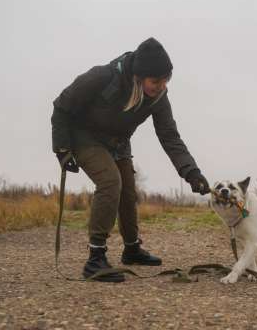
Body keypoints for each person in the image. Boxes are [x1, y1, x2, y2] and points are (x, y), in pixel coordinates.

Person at [51, 37, 210, 282]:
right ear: (139, 76)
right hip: (83, 137)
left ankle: (132, 248)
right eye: (155, 81)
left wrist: (192, 173)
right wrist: (62, 148)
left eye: (166, 80)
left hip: (118, 142)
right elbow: (62, 106)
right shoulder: (102, 77)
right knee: (110, 182)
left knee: (127, 189)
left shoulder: (158, 98)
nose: (161, 86)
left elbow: (170, 137)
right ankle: (95, 259)